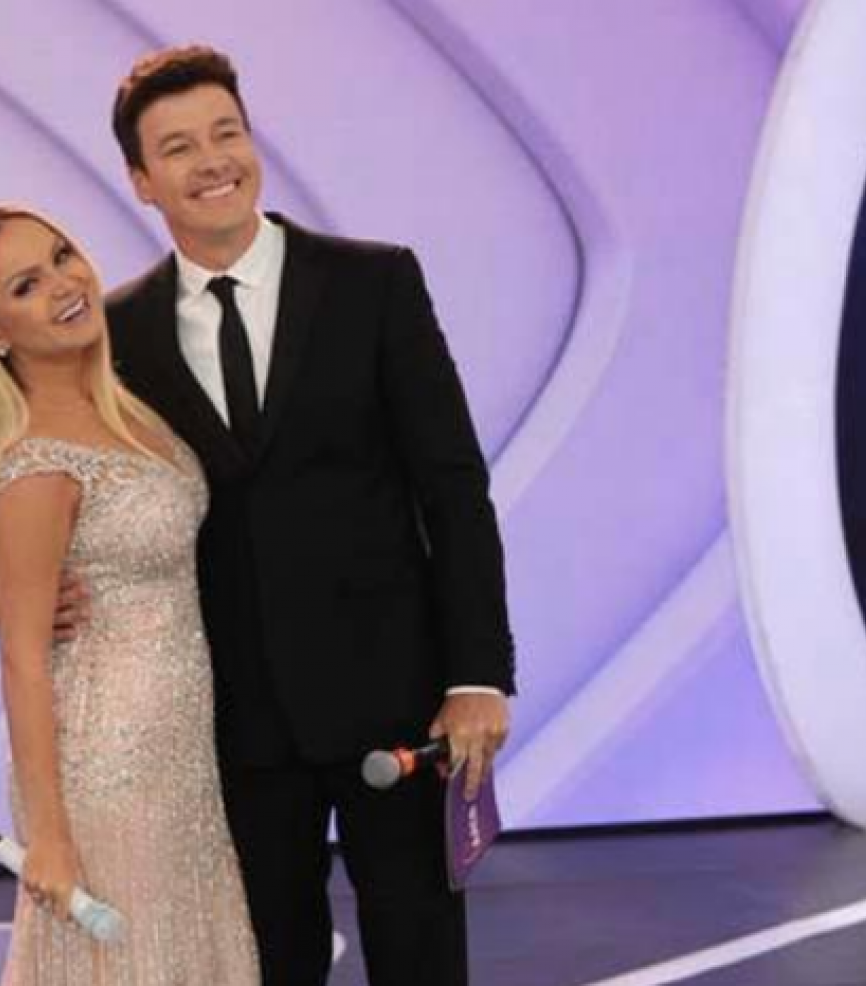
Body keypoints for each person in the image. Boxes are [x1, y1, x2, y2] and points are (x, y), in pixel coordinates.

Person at [102, 45, 517, 986]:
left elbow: (453, 487)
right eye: (178, 147)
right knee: (266, 966)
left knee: (419, 957)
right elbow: (115, 509)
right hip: (230, 722)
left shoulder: (374, 283)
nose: (213, 161)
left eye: (227, 133)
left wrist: (478, 674)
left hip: (397, 707)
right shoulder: (120, 334)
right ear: (141, 181)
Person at [0, 203, 259, 986]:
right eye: (25, 285)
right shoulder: (35, 466)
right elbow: (22, 662)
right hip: (107, 774)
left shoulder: (125, 405)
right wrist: (47, 834)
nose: (63, 283)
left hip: (180, 763)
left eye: (62, 255)